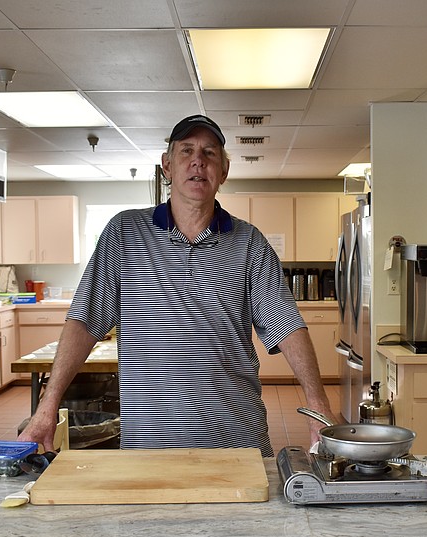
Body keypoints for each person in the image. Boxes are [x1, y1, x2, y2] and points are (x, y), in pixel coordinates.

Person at [18, 114, 337, 457]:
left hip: (236, 442)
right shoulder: (124, 234)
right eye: (186, 151)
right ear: (167, 165)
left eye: (209, 153)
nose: (198, 160)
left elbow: (287, 327)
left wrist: (318, 407)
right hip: (149, 447)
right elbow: (83, 323)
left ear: (224, 171)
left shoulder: (249, 243)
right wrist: (47, 407)